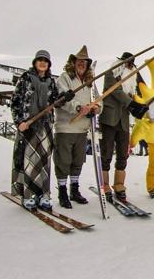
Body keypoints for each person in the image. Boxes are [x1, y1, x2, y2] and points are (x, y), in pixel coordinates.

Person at [11, 50, 74, 209]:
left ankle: (44, 195)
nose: (42, 63)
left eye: (45, 61)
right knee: (29, 162)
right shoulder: (25, 78)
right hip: (28, 126)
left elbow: (55, 102)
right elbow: (15, 101)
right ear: (35, 62)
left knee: (44, 162)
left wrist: (65, 97)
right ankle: (29, 195)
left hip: (45, 127)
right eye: (40, 60)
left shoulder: (51, 82)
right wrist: (19, 122)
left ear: (49, 64)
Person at [53, 45, 101, 208]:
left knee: (77, 161)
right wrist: (79, 108)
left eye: (84, 62)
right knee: (63, 161)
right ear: (73, 62)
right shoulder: (64, 78)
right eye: (79, 61)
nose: (82, 64)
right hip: (66, 127)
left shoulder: (89, 82)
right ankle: (62, 191)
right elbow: (62, 99)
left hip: (82, 129)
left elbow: (98, 99)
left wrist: (95, 109)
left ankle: (74, 189)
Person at [99, 52, 148, 203]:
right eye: (127, 61)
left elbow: (137, 91)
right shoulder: (111, 73)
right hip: (109, 119)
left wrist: (139, 106)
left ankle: (119, 184)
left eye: (131, 62)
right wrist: (132, 104)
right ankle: (105, 184)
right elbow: (115, 90)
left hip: (124, 121)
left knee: (122, 154)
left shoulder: (132, 76)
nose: (129, 64)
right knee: (106, 153)